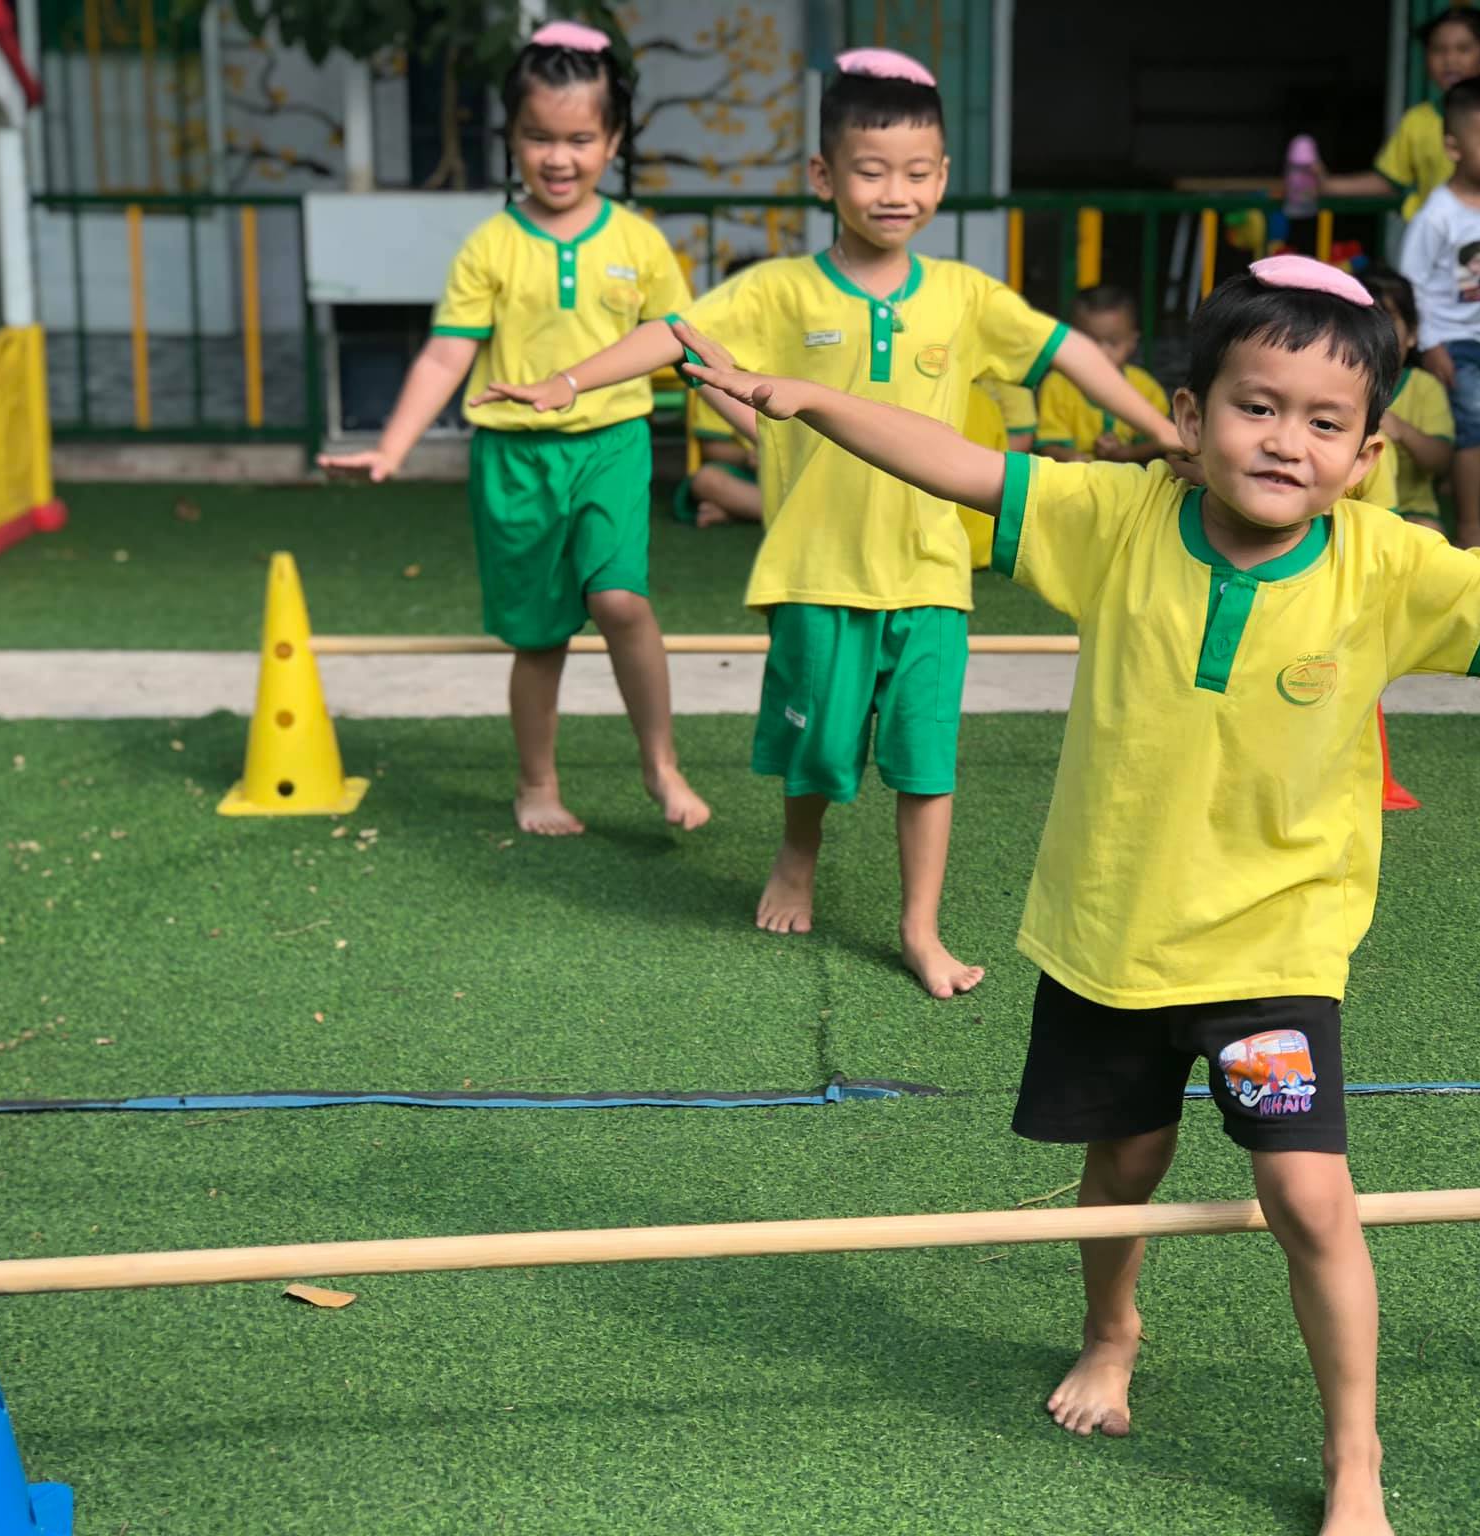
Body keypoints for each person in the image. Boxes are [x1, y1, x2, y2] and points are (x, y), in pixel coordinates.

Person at [677, 254, 1480, 1536]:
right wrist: (811, 398)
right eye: (1254, 406)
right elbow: (957, 464)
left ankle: (1354, 1458)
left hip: (1271, 955)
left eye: (1323, 423)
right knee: (1123, 1165)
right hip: (1109, 936)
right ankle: (1111, 1332)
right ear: (1188, 420)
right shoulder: (1114, 517)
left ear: (1364, 456)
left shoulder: (1384, 565)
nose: (1285, 441)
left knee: (1306, 1196)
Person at [472, 48, 1179, 998]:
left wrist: (1164, 435)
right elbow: (674, 336)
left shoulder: (965, 296)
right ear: (823, 175)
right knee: (816, 751)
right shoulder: (780, 290)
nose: (897, 192)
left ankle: (920, 928)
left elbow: (1070, 355)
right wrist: (568, 382)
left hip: (929, 572)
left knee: (926, 761)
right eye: (871, 170)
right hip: (815, 571)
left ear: (944, 179)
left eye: (918, 172)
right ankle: (796, 856)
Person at [318, 23, 709, 839]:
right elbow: (445, 354)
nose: (558, 158)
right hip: (514, 461)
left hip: (611, 443)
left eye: (579, 139)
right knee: (539, 639)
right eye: (539, 137)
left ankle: (661, 763)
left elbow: (685, 344)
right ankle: (537, 785)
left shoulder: (639, 242)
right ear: (512, 139)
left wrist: (765, 425)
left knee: (620, 599)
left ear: (613, 141)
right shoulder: (491, 246)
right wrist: (392, 446)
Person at [1402, 75, 1480, 556]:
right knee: (1476, 424)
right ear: (1453, 147)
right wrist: (1430, 344)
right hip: (1451, 337)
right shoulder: (1436, 216)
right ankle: (1470, 529)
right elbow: (1411, 285)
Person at [1317, 7, 1480, 220]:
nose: (1450, 60)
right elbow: (1390, 181)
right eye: (1438, 50)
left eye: (1463, 49)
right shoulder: (1416, 121)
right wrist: (1327, 185)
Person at [1358, 270, 1454, 534]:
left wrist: (1402, 430)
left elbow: (1441, 462)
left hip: (1411, 511)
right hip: (1347, 506)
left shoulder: (1425, 387)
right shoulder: (1335, 383)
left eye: (1388, 320)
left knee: (1426, 531)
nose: (1378, 334)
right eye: (1366, 321)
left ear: (1412, 334)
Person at [1034, 285, 1172, 462]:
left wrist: (1127, 454)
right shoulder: (1056, 385)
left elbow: (1160, 442)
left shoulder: (1145, 387)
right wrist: (1074, 459)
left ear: (1132, 341)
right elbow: (1047, 443)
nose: (1101, 352)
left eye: (1113, 343)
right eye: (1090, 342)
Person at [675, 257, 765, 528]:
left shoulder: (799, 350)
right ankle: (777, 511)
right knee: (707, 481)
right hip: (750, 471)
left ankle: (741, 510)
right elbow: (712, 447)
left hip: (800, 466)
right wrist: (749, 457)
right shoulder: (714, 362)